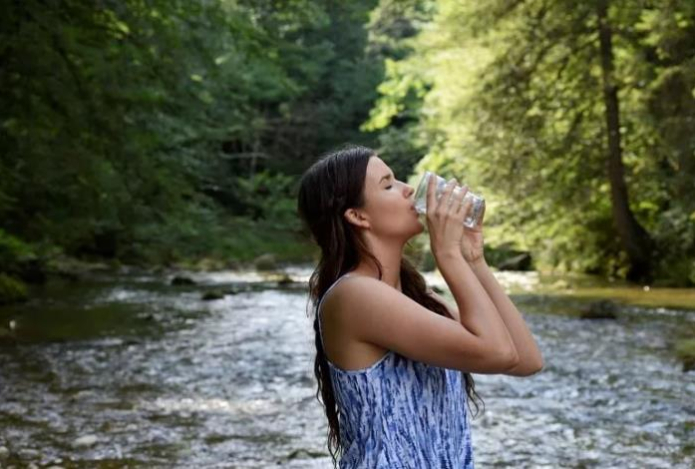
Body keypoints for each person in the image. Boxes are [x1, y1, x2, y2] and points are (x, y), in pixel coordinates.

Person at [297, 144, 544, 469]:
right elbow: (498, 352)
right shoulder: (355, 295)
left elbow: (525, 359)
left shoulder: (414, 297)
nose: (408, 190)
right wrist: (448, 255)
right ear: (358, 216)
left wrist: (474, 260)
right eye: (388, 185)